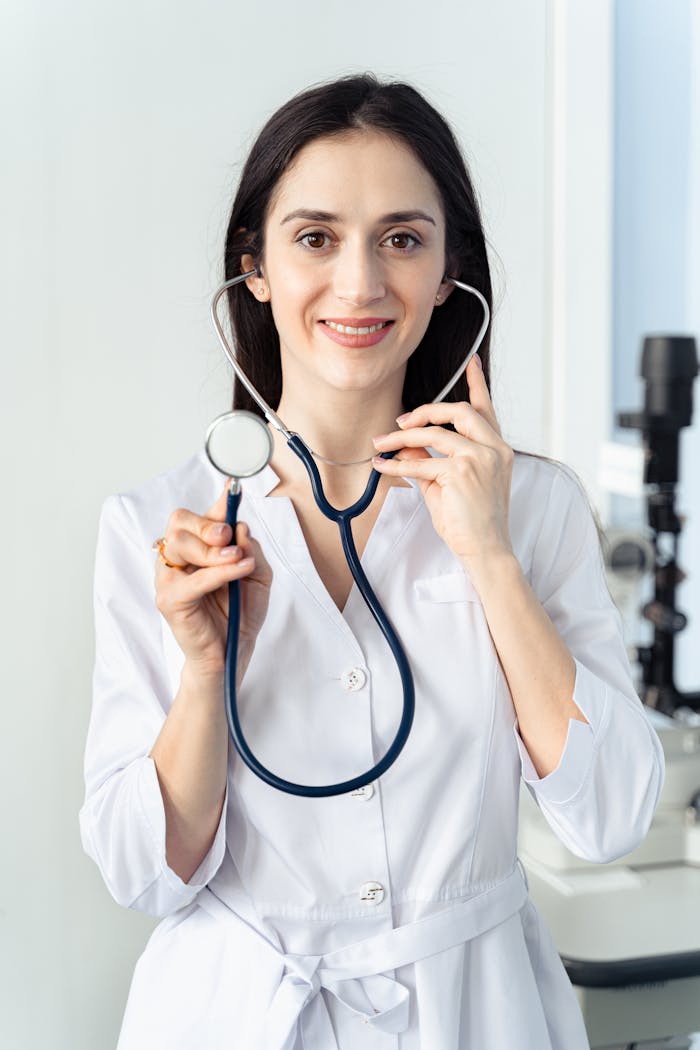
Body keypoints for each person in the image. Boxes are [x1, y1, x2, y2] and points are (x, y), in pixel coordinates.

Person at [80, 74, 665, 1050]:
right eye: (315, 238)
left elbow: (608, 819)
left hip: (474, 1016)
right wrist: (203, 671)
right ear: (255, 268)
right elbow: (144, 874)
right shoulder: (159, 525)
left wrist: (488, 553)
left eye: (402, 238)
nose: (359, 283)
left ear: (448, 274)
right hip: (235, 1015)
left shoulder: (537, 510)